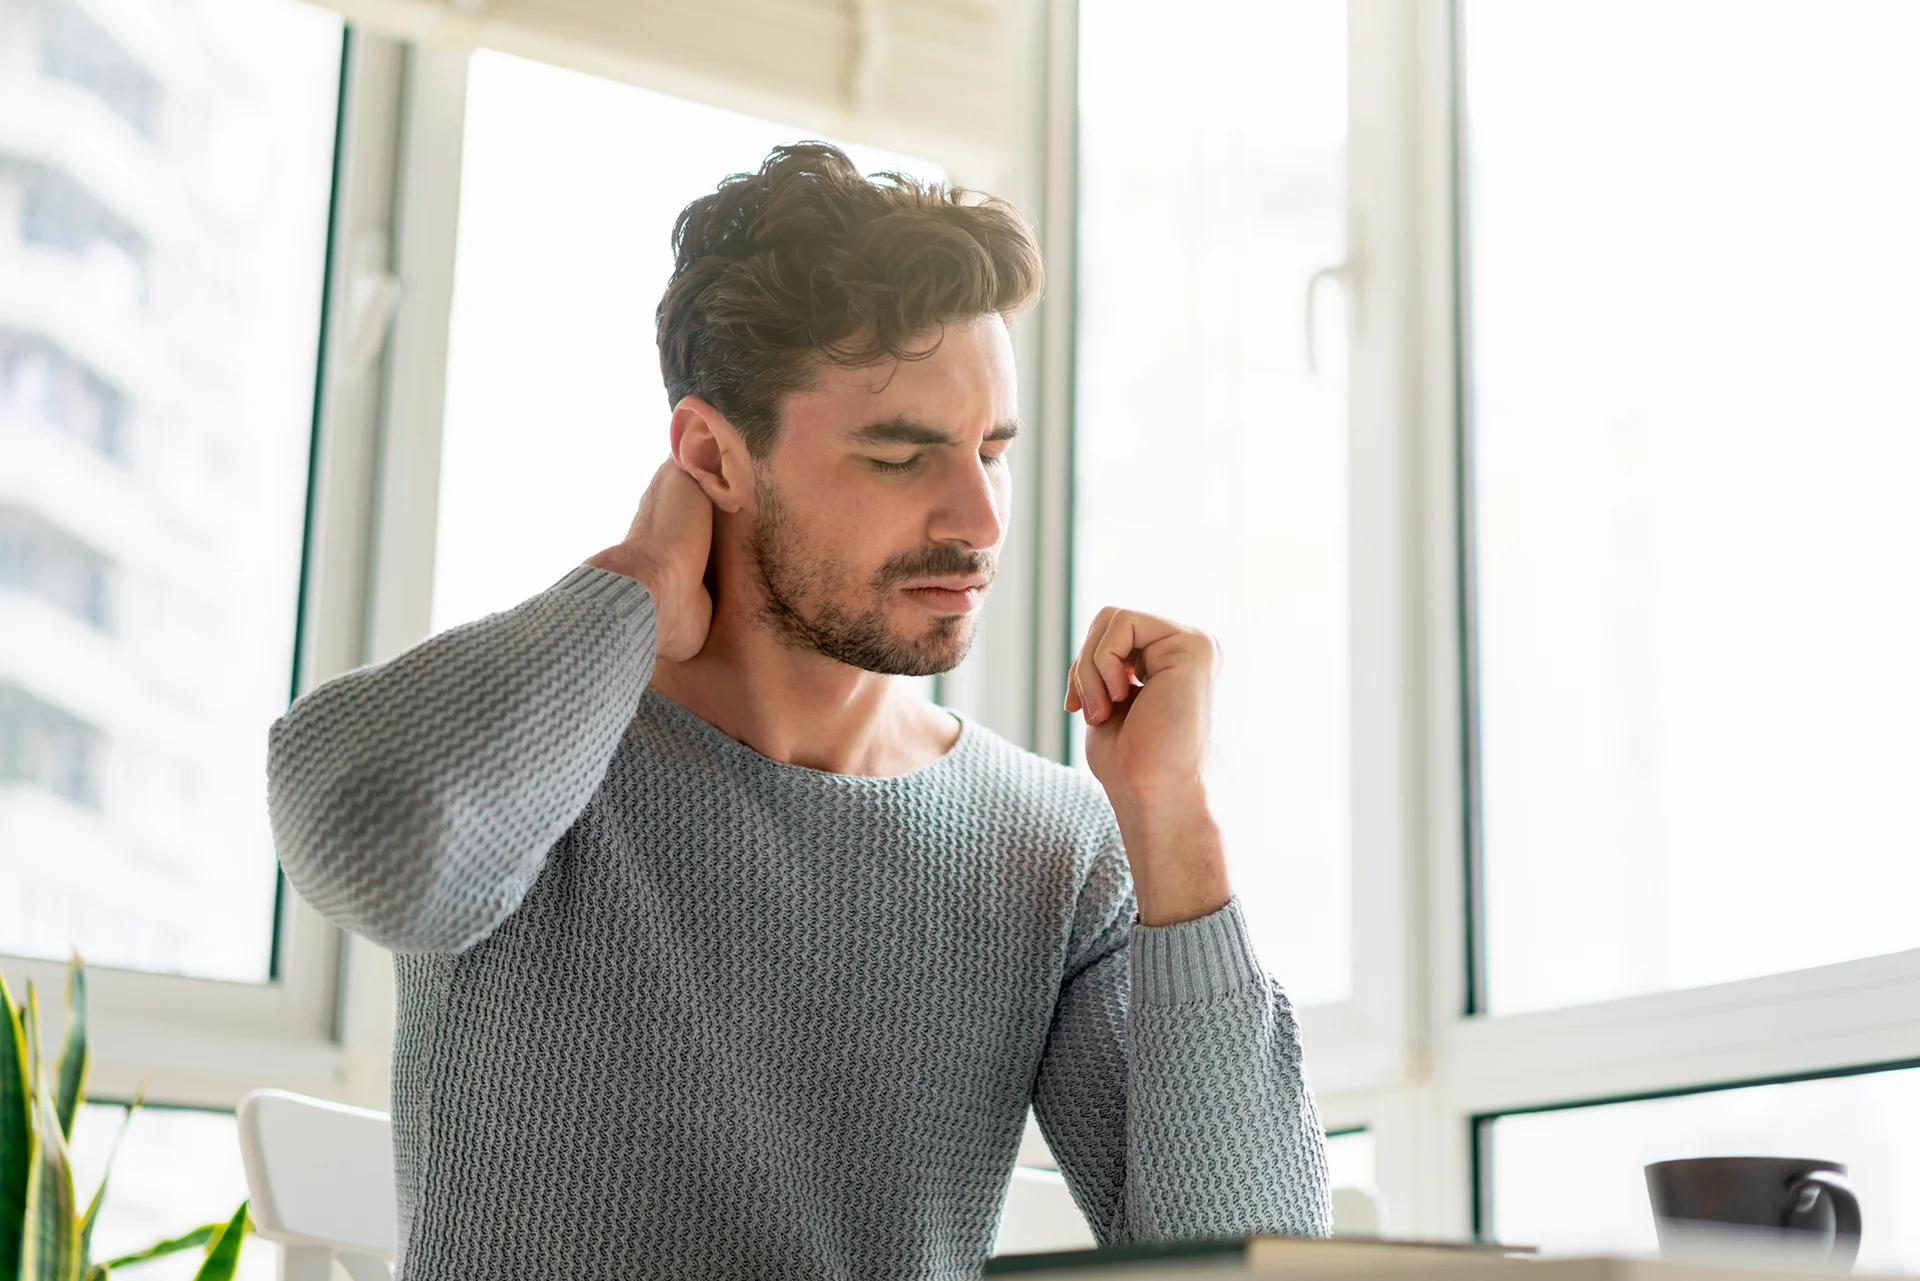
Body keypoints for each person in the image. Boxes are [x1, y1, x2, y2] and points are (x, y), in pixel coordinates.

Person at [268, 142, 1330, 1281]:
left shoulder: (1055, 851)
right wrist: (633, 586)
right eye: (900, 454)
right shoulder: (530, 760)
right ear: (712, 453)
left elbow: (1241, 1259)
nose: (977, 517)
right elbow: (368, 848)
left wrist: (1171, 822)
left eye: (993, 451)